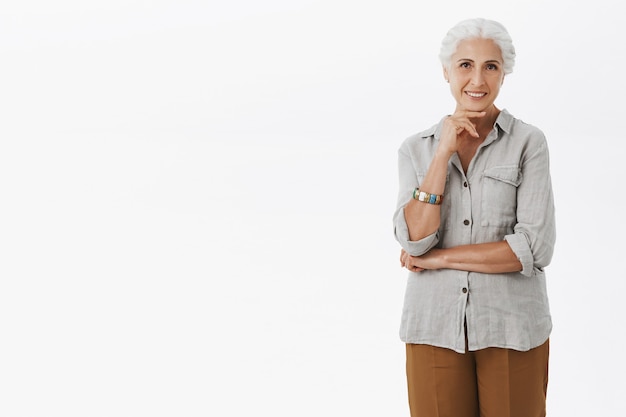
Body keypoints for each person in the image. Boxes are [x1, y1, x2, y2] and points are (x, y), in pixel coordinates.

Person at [393, 18, 556, 417]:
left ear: (504, 73)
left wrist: (439, 260)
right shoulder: (417, 148)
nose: (477, 79)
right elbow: (414, 239)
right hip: (433, 324)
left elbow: (532, 248)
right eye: (465, 65)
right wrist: (441, 154)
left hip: (512, 326)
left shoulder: (528, 143)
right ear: (446, 71)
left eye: (491, 66)